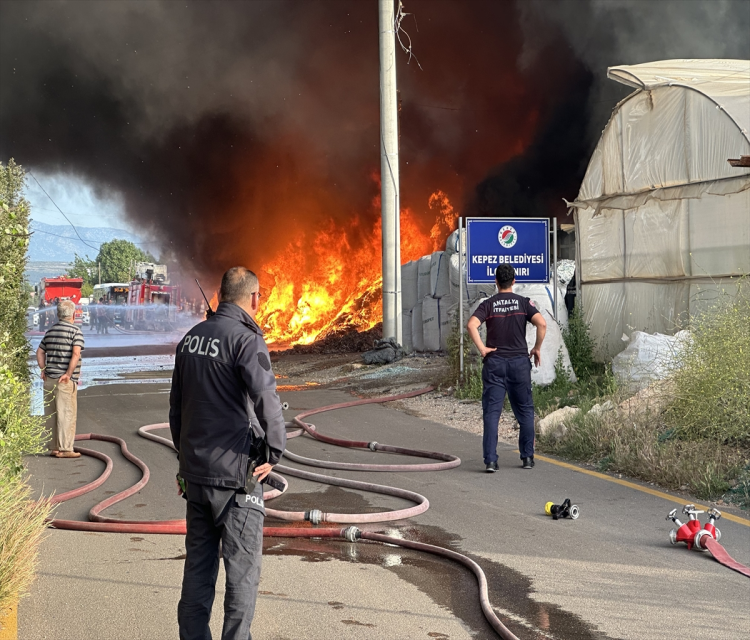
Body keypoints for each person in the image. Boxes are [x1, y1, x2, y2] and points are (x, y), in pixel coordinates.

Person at [169, 266, 286, 640]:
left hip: (196, 476)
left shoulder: (189, 340)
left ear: (220, 295)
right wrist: (276, 451)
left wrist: (185, 464)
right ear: (254, 298)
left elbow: (176, 411)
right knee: (242, 574)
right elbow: (266, 398)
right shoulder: (246, 340)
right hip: (237, 478)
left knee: (198, 570)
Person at [467, 264, 547, 471]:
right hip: (519, 364)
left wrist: (483, 349)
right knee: (525, 411)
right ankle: (527, 457)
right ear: (514, 281)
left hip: (495, 363)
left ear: (496, 281)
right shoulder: (523, 303)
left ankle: (491, 461)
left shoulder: (489, 304)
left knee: (492, 413)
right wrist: (537, 348)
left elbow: (471, 325)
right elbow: (542, 324)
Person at [36, 299, 85, 459]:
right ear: (73, 314)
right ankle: (65, 449)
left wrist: (43, 370)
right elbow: (76, 353)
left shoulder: (50, 332)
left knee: (51, 414)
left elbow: (40, 352)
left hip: (49, 379)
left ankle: (54, 448)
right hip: (64, 381)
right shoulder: (75, 332)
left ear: (58, 315)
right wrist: (69, 374)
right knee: (66, 414)